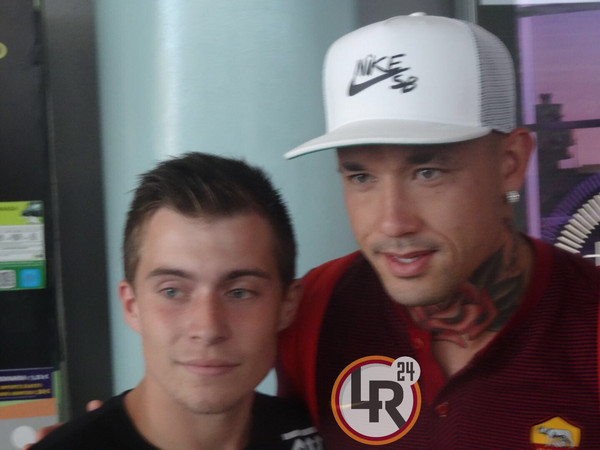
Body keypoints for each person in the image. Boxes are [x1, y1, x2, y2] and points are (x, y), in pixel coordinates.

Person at [277, 13, 600, 449]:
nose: (392, 223)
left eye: (427, 172)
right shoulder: (312, 309)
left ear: (510, 163)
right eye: (361, 177)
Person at [30, 153, 322, 449]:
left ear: (287, 305)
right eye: (172, 291)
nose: (208, 329)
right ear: (132, 306)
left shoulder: (325, 435)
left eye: (239, 292)